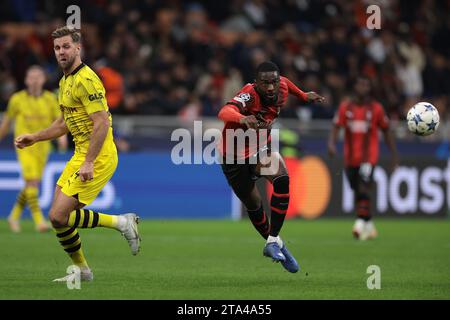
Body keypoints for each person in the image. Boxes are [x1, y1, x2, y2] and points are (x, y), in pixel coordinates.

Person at [14, 26, 141, 282]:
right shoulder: (65, 81)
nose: (61, 52)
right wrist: (35, 137)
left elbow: (102, 122)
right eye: (57, 48)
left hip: (100, 155)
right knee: (58, 218)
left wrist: (90, 161)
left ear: (77, 48)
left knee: (58, 215)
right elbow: (63, 124)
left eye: (66, 47)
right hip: (81, 154)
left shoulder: (87, 79)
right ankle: (83, 269)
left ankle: (120, 225)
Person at [218, 61, 325, 273]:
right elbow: (224, 111)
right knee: (253, 202)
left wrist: (304, 95)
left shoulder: (282, 86)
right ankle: (278, 244)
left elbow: (287, 84)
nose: (270, 87)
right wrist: (242, 117)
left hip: (260, 149)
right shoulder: (248, 95)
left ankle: (273, 240)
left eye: (273, 82)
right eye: (264, 83)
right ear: (256, 83)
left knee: (282, 178)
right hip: (233, 156)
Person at [328, 76, 399, 240]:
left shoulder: (376, 109)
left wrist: (394, 155)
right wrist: (331, 144)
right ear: (355, 87)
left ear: (370, 88)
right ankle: (369, 224)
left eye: (366, 85)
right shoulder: (346, 107)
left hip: (369, 158)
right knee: (357, 190)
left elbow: (387, 132)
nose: (363, 87)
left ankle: (359, 223)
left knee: (363, 187)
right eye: (361, 84)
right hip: (351, 159)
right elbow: (336, 126)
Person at [0, 65, 67, 233]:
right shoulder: (17, 99)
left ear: (43, 79)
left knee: (32, 183)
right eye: (32, 77)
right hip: (24, 146)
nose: (35, 80)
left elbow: (59, 121)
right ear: (26, 80)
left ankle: (14, 216)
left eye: (38, 76)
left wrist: (62, 139)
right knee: (32, 181)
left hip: (43, 147)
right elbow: (7, 123)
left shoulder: (51, 99)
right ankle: (39, 221)